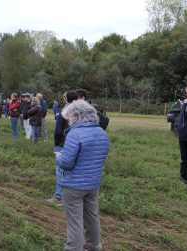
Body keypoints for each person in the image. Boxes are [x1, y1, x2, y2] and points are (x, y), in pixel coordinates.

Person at [56, 99, 110, 251]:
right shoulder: (101, 132)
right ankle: (94, 246)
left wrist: (59, 156)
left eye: (70, 118)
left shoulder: (75, 134)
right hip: (93, 184)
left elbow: (67, 163)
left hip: (73, 186)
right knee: (92, 217)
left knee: (75, 222)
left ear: (76, 115)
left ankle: (74, 248)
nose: (69, 121)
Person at [47, 90, 79, 205]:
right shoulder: (80, 111)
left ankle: (59, 197)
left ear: (66, 98)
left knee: (61, 171)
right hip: (76, 144)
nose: (62, 97)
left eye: (64, 96)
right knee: (73, 171)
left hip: (63, 144)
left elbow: (58, 130)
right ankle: (72, 197)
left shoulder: (65, 111)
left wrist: (56, 142)